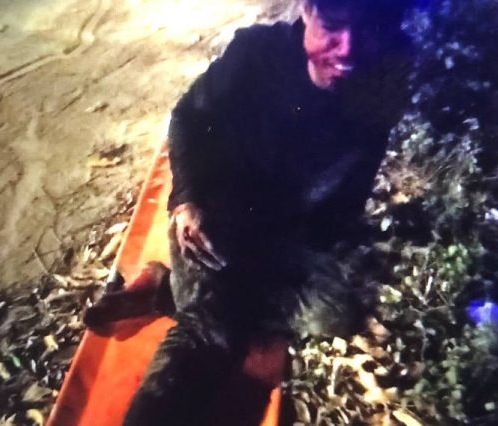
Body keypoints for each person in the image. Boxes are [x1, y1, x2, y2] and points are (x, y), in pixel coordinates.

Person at [84, 0, 414, 424]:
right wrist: (187, 200)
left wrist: (330, 235)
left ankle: (164, 289)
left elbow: (360, 166)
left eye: (367, 30)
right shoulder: (256, 54)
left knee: (335, 314)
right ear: (306, 10)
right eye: (333, 25)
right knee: (213, 328)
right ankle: (198, 311)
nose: (349, 48)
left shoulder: (384, 72)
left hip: (287, 231)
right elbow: (188, 118)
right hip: (220, 214)